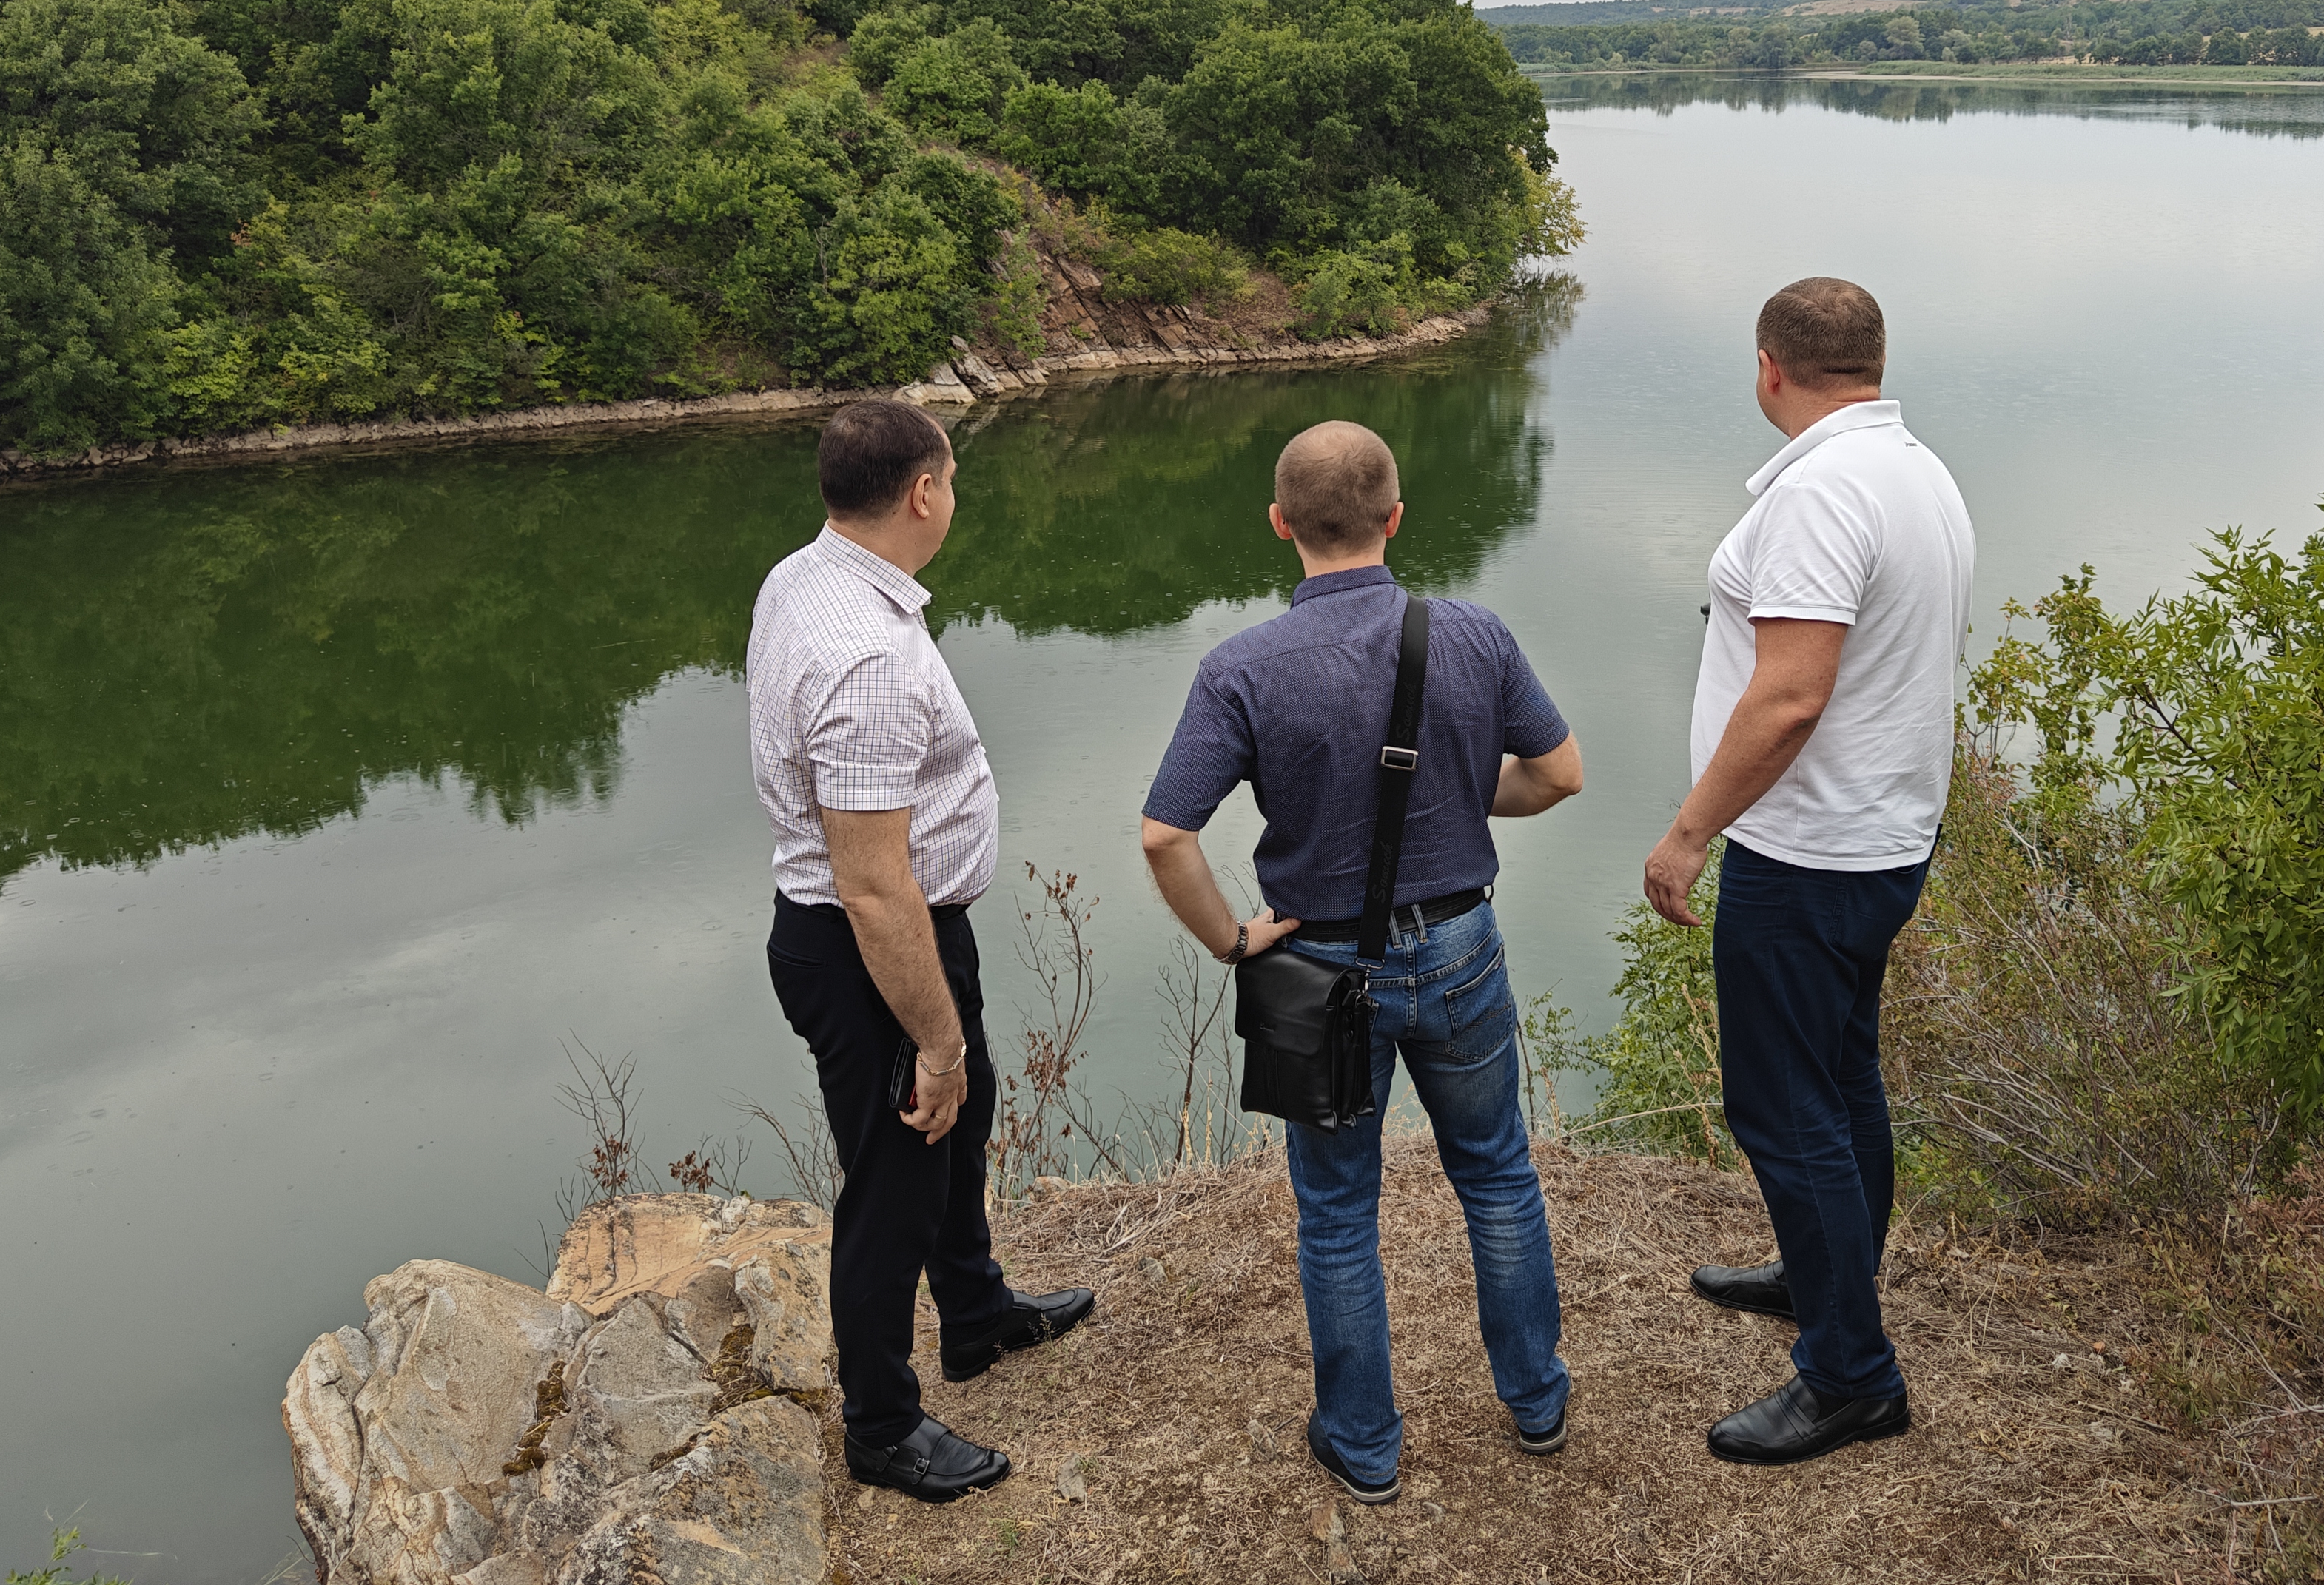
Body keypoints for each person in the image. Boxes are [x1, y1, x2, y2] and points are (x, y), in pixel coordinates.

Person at [1138, 420, 1585, 1505]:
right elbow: (1559, 775)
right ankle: (1536, 1404)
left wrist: (1232, 941)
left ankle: (1366, 1447)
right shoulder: (1473, 635)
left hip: (1318, 972)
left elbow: (1165, 836)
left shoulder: (1240, 667)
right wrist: (1454, 788)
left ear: (1280, 526)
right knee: (1498, 1172)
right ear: (1395, 519)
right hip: (1462, 947)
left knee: (1338, 1211)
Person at [1639, 277, 1975, 1467]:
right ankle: (1823, 1277)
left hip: (1809, 849)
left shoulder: (1824, 491)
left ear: (1770, 367)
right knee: (1840, 1081)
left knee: (1784, 1111)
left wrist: (1690, 833)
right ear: (1872, 362)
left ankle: (1849, 1375)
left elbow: (1789, 695)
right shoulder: (1916, 471)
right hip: (1880, 836)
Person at [749, 398, 1095, 1503]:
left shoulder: (808, 576)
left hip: (910, 934)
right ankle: (882, 1427)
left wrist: (956, 1050)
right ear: (925, 492)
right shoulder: (865, 660)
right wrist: (932, 1040)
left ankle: (979, 1313)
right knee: (893, 1182)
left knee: (969, 1113)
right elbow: (872, 885)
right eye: (954, 476)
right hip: (871, 951)